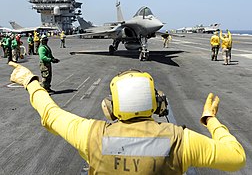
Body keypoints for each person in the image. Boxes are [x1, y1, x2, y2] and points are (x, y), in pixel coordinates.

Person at [7, 66, 246, 174]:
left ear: (110, 108)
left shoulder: (91, 135)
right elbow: (236, 158)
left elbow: (50, 112)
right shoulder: (181, 141)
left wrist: (30, 81)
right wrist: (210, 120)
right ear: (158, 104)